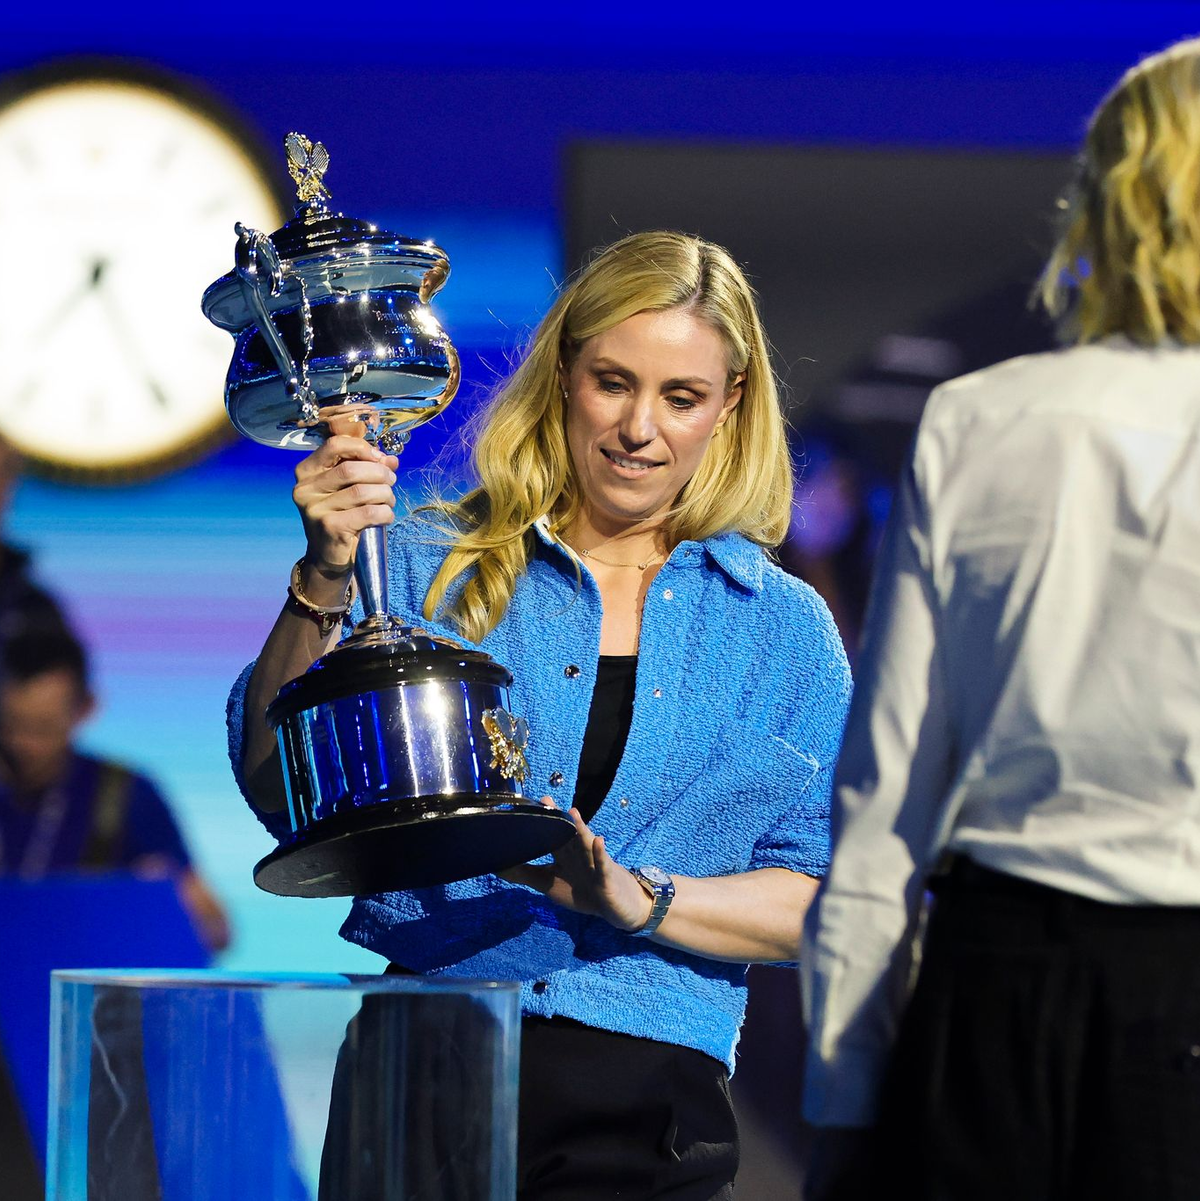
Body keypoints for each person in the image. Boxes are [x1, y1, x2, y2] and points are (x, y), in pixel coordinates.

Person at [229, 230, 851, 1199]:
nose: (638, 427)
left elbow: (823, 902)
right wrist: (324, 573)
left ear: (728, 407)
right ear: (563, 375)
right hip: (427, 1061)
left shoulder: (783, 632)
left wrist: (641, 898)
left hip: (648, 1099)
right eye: (613, 381)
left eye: (680, 397)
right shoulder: (431, 563)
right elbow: (280, 785)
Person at [800, 38, 1200, 1201]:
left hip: (991, 1002)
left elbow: (887, 796)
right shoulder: (974, 419)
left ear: (1110, 198)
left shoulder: (978, 419)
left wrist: (842, 1098)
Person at [0, 629, 230, 954]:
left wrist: (156, 900)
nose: (22, 745)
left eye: (42, 728)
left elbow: (217, 931)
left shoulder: (125, 792)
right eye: (10, 725)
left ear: (86, 708)